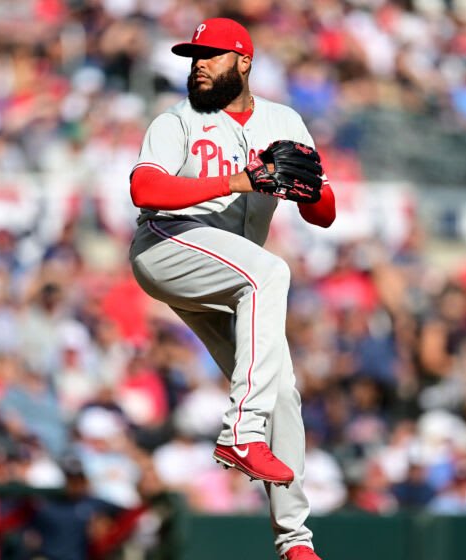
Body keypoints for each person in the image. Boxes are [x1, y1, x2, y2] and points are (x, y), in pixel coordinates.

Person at [128, 18, 335, 560]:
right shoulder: (177, 121)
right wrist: (241, 180)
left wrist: (304, 189)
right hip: (167, 244)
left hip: (227, 273)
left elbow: (325, 213)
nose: (199, 64)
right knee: (270, 271)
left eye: (212, 55)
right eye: (194, 56)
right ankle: (241, 432)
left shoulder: (282, 121)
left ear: (243, 61)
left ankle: (295, 542)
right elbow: (143, 187)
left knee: (283, 390)